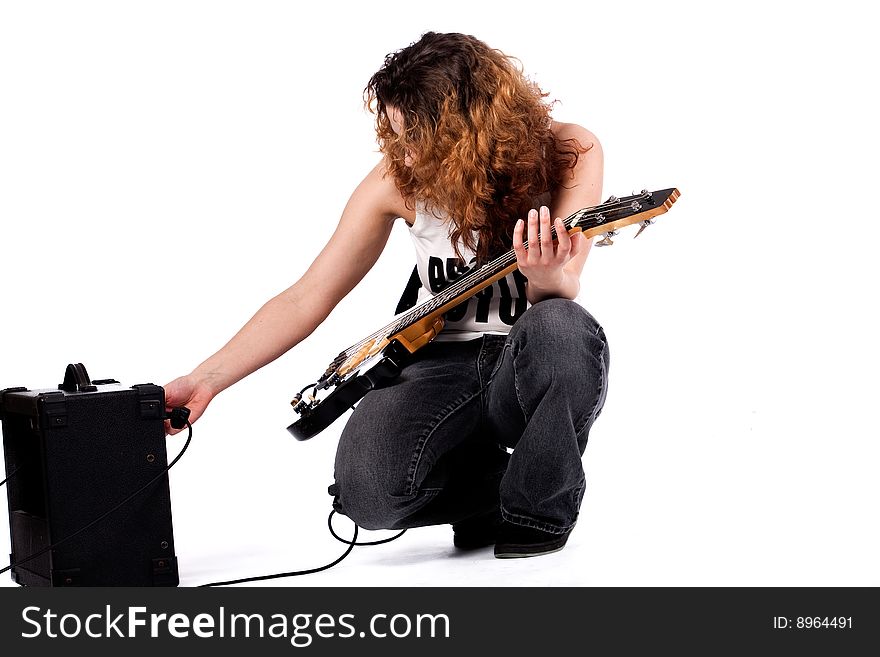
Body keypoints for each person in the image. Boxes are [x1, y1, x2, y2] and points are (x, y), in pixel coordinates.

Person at [164, 31, 609, 559]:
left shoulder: (566, 150)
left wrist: (545, 274)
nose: (405, 151)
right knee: (368, 495)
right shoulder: (396, 182)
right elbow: (307, 296)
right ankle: (491, 495)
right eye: (396, 134)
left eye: (418, 135)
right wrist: (205, 381)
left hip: (525, 356)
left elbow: (564, 286)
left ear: (473, 126)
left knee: (561, 328)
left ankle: (538, 509)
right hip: (440, 359)